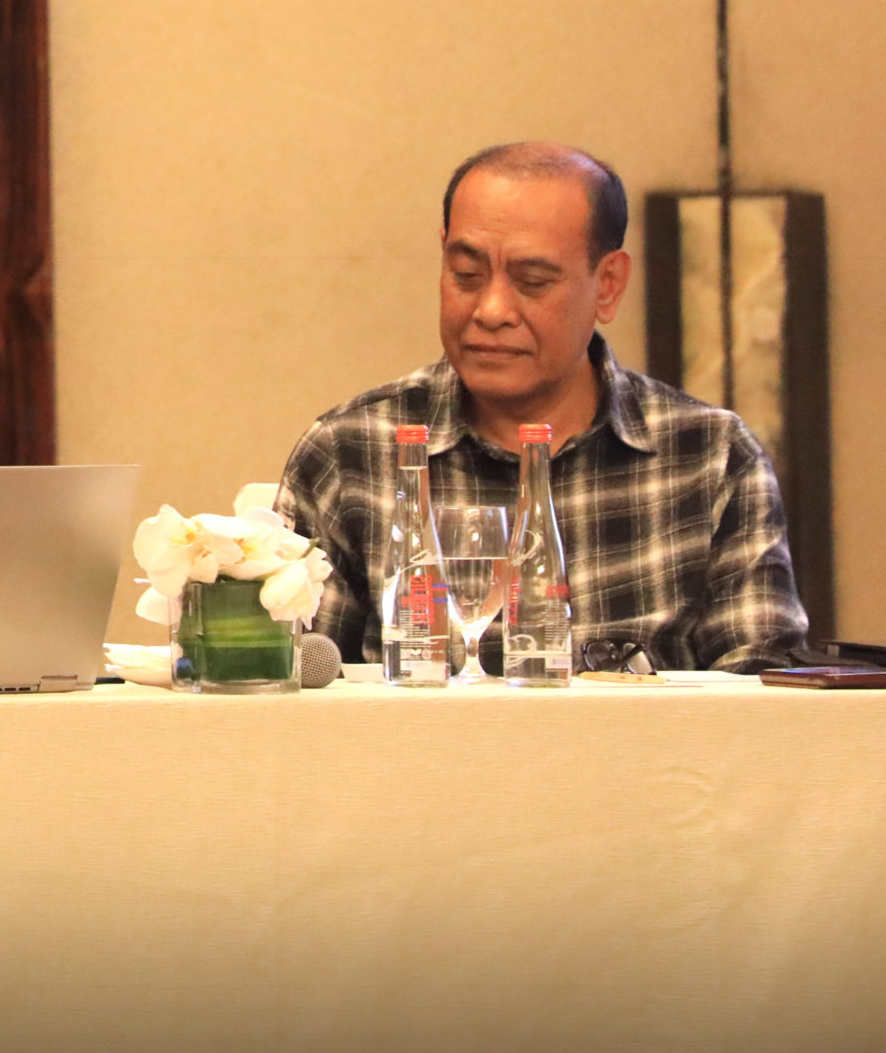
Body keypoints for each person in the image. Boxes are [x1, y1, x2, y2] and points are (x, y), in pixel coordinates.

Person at [277, 141, 808, 672]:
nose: (491, 310)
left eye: (532, 282)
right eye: (466, 275)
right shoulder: (349, 453)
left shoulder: (709, 456)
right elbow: (296, 684)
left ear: (608, 285)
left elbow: (761, 687)